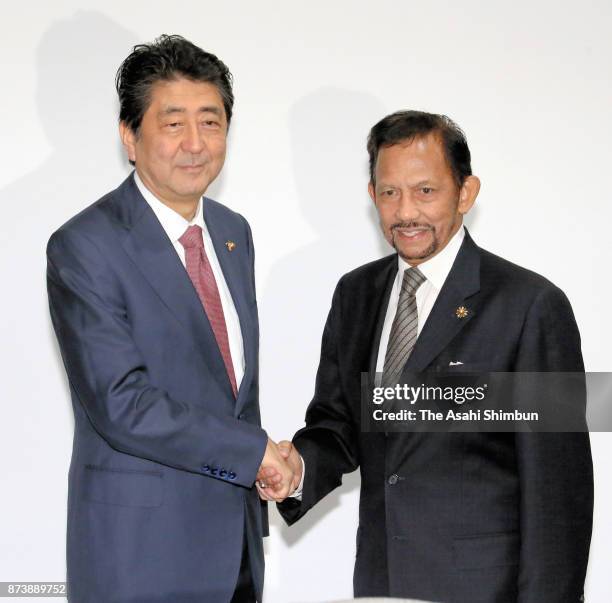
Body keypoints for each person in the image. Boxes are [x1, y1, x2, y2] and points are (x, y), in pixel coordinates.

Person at [258, 111, 593, 602]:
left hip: (485, 589)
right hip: (381, 581)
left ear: (466, 193)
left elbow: (557, 491)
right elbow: (340, 425)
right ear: (372, 196)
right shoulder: (356, 294)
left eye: (426, 191)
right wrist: (297, 469)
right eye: (390, 192)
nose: (406, 211)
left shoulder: (530, 305)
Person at [46, 35, 293, 603]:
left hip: (234, 550)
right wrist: (251, 450)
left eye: (210, 122)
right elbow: (121, 403)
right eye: (173, 122)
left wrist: (258, 474)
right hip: (140, 556)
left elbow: (231, 388)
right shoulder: (85, 244)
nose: (195, 144)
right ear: (130, 136)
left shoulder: (233, 234)